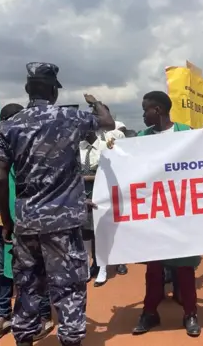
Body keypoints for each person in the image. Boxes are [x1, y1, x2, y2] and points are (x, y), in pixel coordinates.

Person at [0, 62, 115, 346]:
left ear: (27, 89)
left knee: (27, 287)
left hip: (26, 223)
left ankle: (23, 339)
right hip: (63, 223)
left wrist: (7, 220)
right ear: (53, 91)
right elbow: (107, 121)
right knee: (70, 289)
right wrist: (95, 102)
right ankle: (70, 340)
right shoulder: (70, 118)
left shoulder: (9, 125)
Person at [132, 91, 203, 337]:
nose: (143, 115)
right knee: (153, 268)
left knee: (184, 268)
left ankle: (190, 314)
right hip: (155, 213)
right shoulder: (142, 138)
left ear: (158, 110)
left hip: (182, 212)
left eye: (145, 110)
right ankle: (150, 313)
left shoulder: (187, 133)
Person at [0, 103, 54, 344]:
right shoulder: (0, 147)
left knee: (37, 270)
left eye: (13, 119)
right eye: (5, 120)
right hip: (5, 221)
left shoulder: (38, 147)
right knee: (4, 272)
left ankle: (44, 316)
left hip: (33, 220)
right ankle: (3, 316)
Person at [80, 103, 127, 287]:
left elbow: (110, 168)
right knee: (85, 231)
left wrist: (90, 176)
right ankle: (87, 267)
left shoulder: (106, 144)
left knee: (102, 230)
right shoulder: (80, 147)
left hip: (102, 191)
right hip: (83, 193)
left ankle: (103, 268)